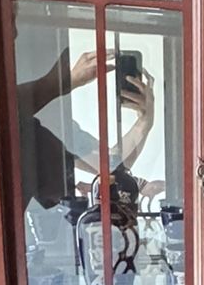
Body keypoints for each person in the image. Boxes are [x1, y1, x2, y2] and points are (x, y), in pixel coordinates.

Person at [17, 47, 156, 209]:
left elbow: (111, 165)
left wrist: (144, 122)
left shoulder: (57, 129)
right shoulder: (14, 124)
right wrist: (61, 84)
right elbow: (7, 109)